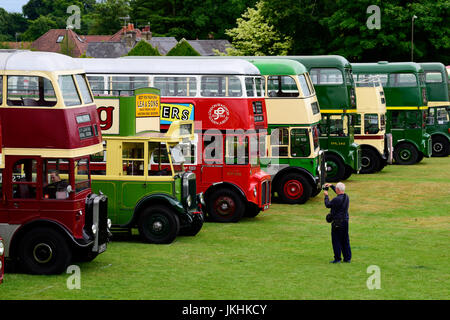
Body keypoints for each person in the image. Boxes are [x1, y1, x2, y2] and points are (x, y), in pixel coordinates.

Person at [324, 182, 352, 263]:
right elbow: (338, 191)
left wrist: (326, 196)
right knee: (345, 240)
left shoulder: (336, 199)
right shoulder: (346, 197)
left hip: (337, 223)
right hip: (345, 221)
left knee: (336, 240)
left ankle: (337, 258)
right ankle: (347, 258)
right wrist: (332, 186)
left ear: (338, 189)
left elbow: (328, 205)